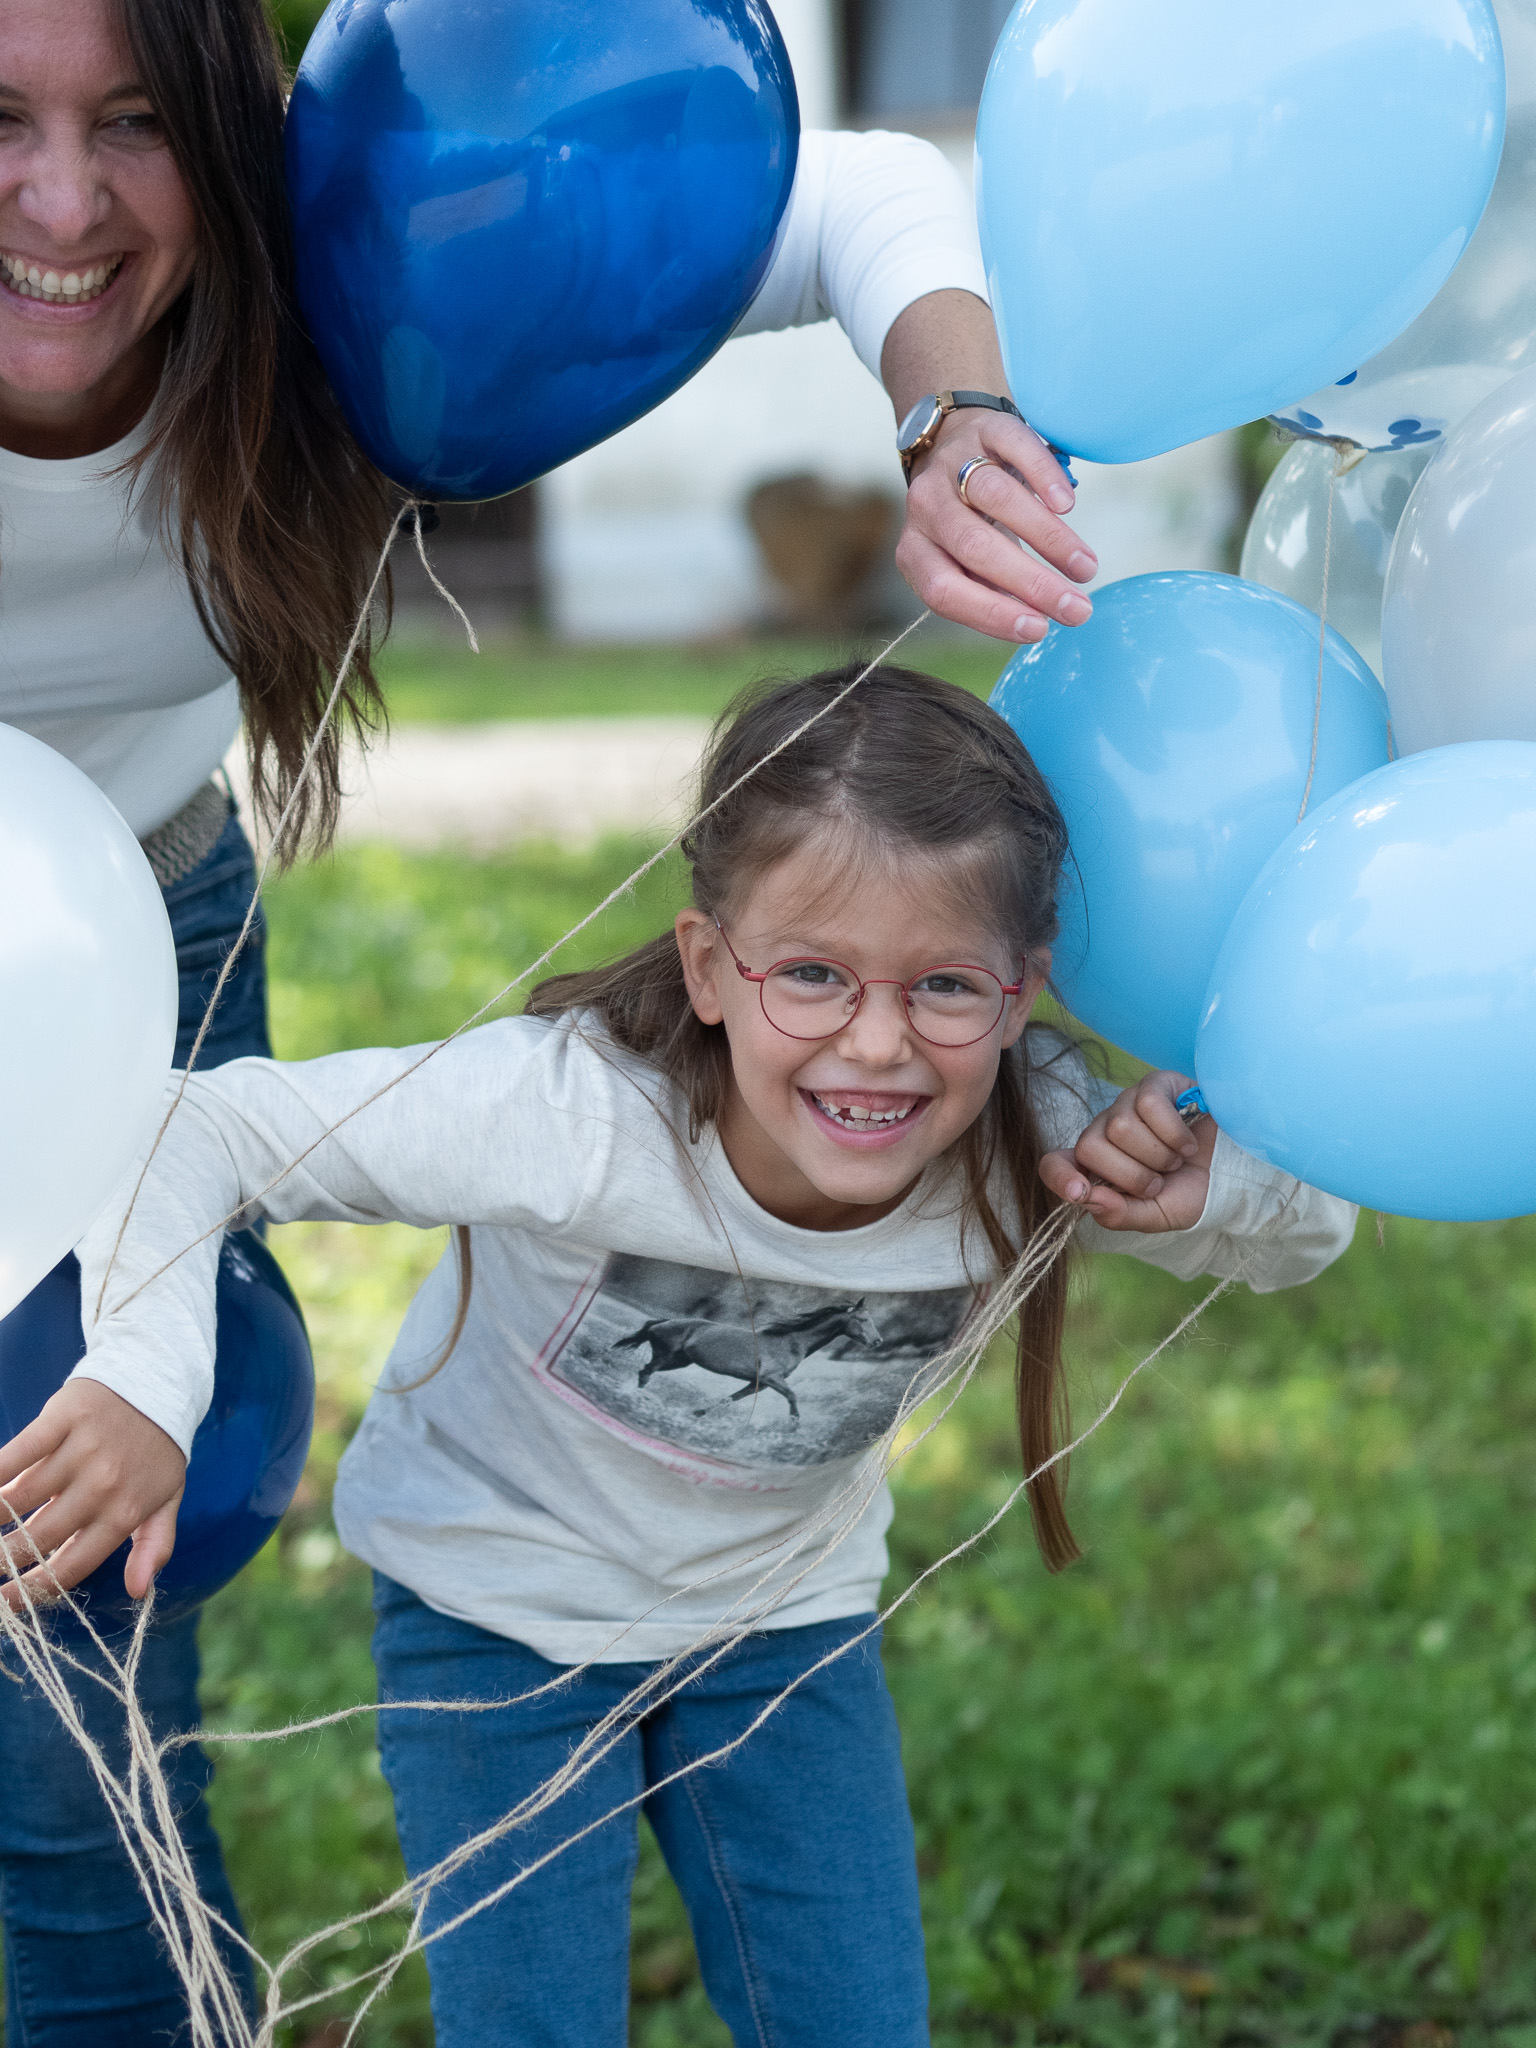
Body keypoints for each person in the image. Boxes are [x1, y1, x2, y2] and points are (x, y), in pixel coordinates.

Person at [0, 0, 1102, 2031]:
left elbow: (850, 183)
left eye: (135, 121)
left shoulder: (325, 272)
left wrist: (955, 426)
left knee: (67, 1686)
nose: (63, 203)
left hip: (130, 936)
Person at [27, 666, 1360, 2046]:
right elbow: (200, 1128)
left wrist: (1205, 1187)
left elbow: (1314, 1224)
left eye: (947, 986)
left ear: (1024, 994)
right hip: (498, 1619)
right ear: (711, 966)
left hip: (782, 1628)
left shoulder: (1037, 1143)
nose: (881, 1043)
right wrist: (145, 1381)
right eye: (813, 976)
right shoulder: (571, 1116)